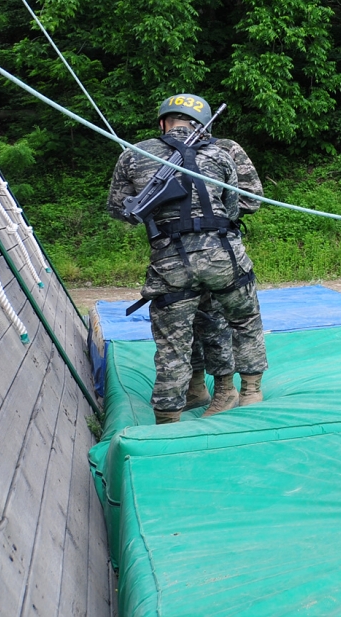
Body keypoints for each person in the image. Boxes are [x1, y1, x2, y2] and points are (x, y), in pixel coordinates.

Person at [107, 94, 267, 426]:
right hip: (223, 256)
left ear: (163, 122)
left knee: (172, 346)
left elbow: (120, 209)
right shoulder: (221, 154)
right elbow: (235, 206)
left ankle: (168, 420)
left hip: (170, 262)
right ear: (203, 124)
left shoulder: (135, 154)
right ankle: (250, 392)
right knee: (243, 321)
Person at [187, 134, 267, 417]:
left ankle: (249, 389)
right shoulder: (160, 152)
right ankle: (195, 386)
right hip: (177, 251)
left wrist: (215, 212)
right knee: (192, 320)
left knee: (237, 316)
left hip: (221, 245)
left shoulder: (226, 148)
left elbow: (252, 196)